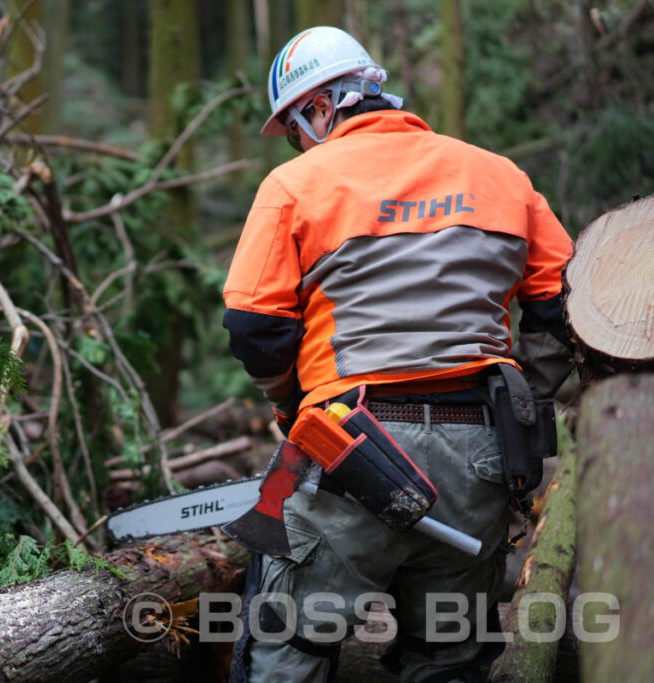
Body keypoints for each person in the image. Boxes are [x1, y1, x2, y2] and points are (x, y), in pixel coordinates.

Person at [222, 26, 574, 682]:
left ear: (321, 109)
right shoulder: (502, 176)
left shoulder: (294, 185)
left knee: (285, 654)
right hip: (481, 457)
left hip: (347, 446)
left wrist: (292, 404)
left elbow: (254, 328)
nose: (299, 144)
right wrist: (530, 403)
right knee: (450, 660)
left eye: (297, 127)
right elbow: (560, 305)